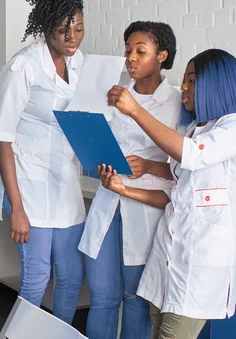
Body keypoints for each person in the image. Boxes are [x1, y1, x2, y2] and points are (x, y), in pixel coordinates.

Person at [104, 48, 236, 339]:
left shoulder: (232, 128)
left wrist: (136, 111)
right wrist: (148, 167)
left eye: (191, 80)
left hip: (200, 266)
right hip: (168, 256)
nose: (184, 88)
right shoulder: (194, 129)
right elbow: (180, 174)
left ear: (216, 83)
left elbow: (193, 156)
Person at [78, 22, 180, 339]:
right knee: (103, 299)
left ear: (161, 56)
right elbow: (95, 142)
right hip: (108, 201)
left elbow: (180, 166)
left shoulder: (176, 102)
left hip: (147, 212)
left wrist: (148, 165)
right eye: (128, 51)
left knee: (136, 300)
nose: (131, 58)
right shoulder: (115, 96)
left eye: (140, 51)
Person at [0, 0, 86, 324]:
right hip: (27, 183)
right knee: (37, 276)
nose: (72, 37)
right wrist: (16, 208)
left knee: (71, 276)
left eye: (78, 29)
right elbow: (3, 137)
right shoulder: (24, 66)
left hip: (64, 182)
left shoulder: (80, 63)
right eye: (63, 30)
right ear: (47, 28)